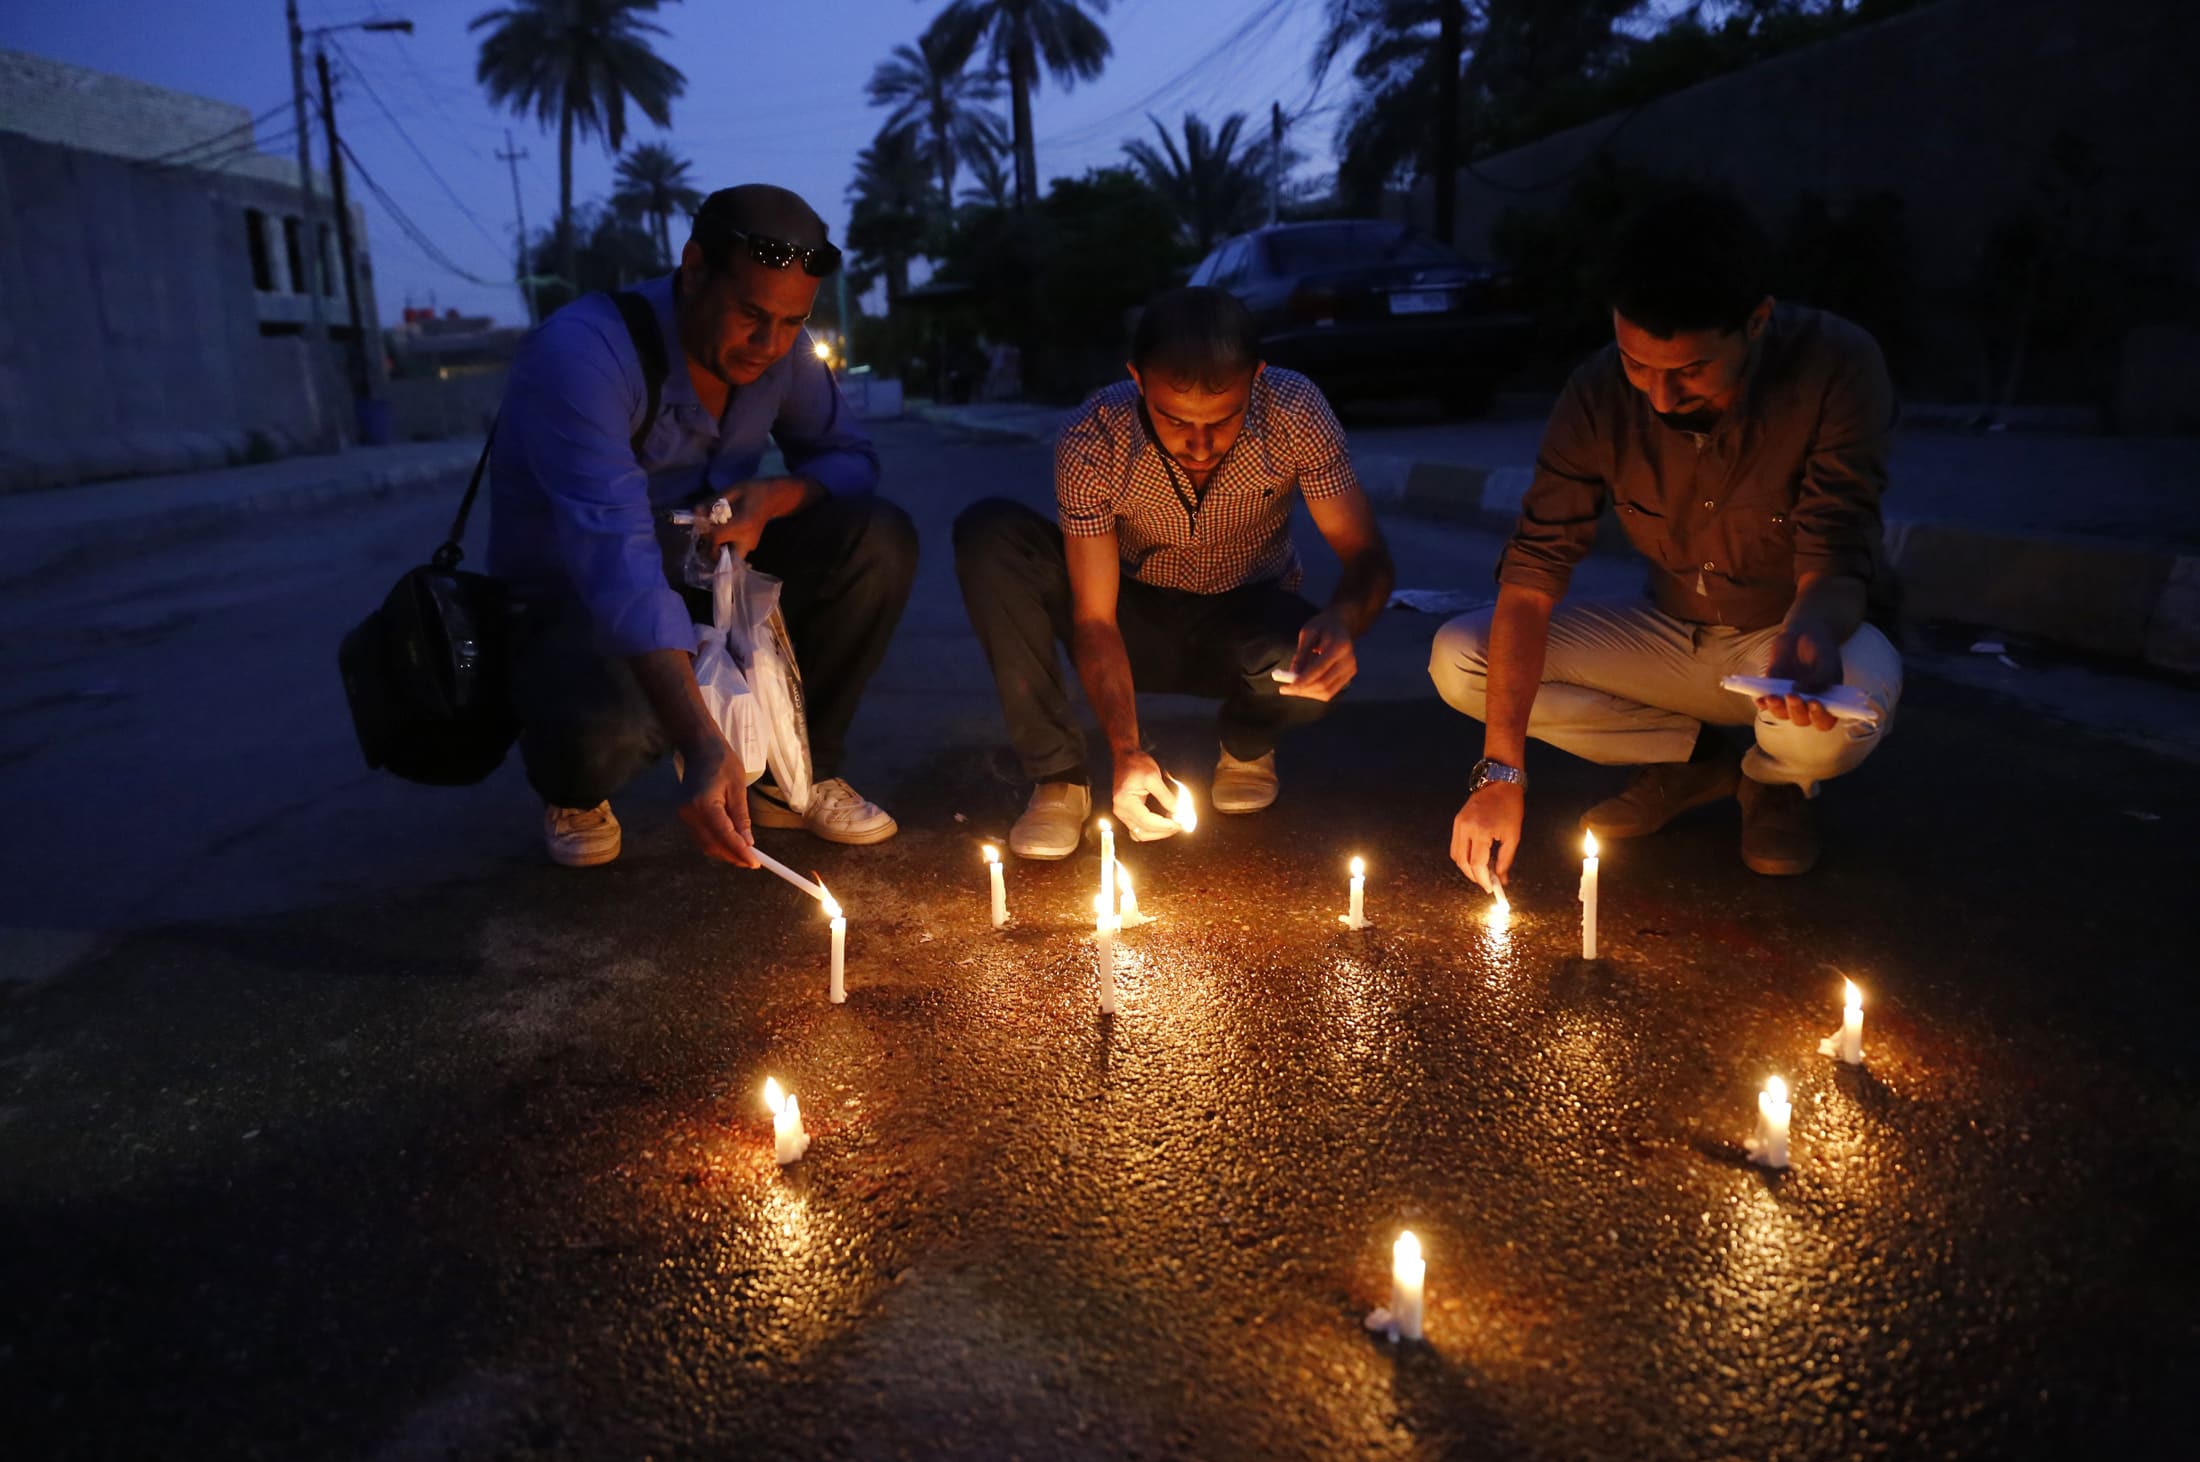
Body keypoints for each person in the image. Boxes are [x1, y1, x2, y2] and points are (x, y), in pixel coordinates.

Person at [1432, 191, 1901, 882]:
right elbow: (1530, 580)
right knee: (1461, 656)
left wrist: (1809, 633)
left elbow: (1836, 547)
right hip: (1669, 631)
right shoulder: (1596, 394)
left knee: (1816, 732)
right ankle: (1698, 763)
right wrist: (1501, 774)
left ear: (1757, 321)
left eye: (1689, 371)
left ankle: (1775, 782)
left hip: (1798, 636)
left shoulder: (1836, 367)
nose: (1659, 397)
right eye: (1637, 364)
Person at [489, 184, 917, 869]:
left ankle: (793, 773)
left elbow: (851, 457)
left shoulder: (781, 350)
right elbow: (618, 564)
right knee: (610, 732)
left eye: (791, 321)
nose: (770, 344)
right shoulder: (581, 356)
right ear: (693, 268)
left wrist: (779, 495)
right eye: (751, 312)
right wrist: (698, 736)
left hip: (703, 573)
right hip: (574, 597)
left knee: (876, 538)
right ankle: (573, 785)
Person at [954, 286, 1395, 859]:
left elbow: (1368, 557)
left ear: (1257, 379)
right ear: (1139, 381)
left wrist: (1343, 620)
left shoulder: (1294, 411)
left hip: (1245, 617)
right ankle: (1058, 777)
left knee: (1309, 664)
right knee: (991, 534)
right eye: (1174, 419)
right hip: (1129, 614)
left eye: (1225, 418)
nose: (1201, 444)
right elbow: (1094, 616)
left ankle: (1247, 743)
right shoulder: (1094, 435)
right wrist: (1127, 750)